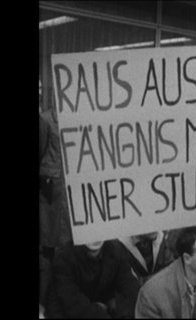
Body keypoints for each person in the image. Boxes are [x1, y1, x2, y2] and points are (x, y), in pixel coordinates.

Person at [46, 241, 140, 318]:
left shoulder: (116, 250)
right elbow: (71, 302)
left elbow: (130, 288)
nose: (94, 239)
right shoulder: (64, 257)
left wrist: (121, 311)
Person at [40, 105, 72, 258]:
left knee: (67, 231)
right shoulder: (45, 119)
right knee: (51, 230)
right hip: (52, 182)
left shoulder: (76, 116)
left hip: (70, 180)